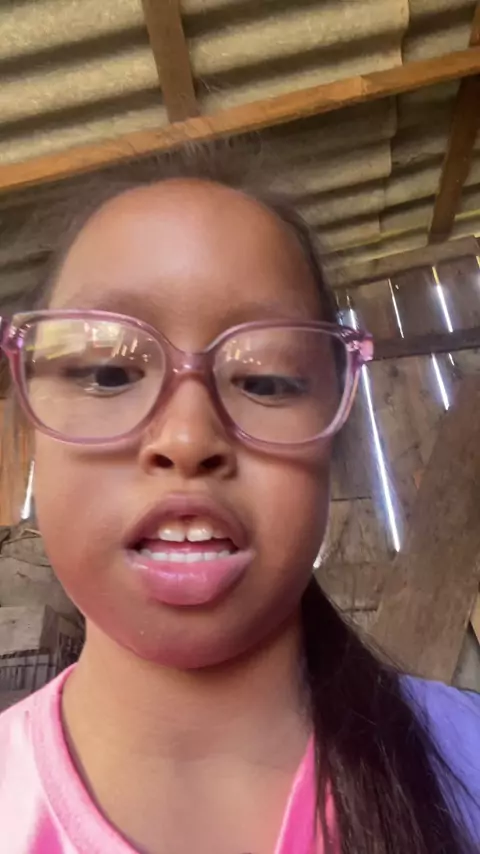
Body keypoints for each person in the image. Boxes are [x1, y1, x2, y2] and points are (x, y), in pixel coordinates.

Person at [0, 143, 478, 854]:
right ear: (28, 423)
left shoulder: (465, 765)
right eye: (107, 373)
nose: (188, 437)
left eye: (265, 380)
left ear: (335, 434)